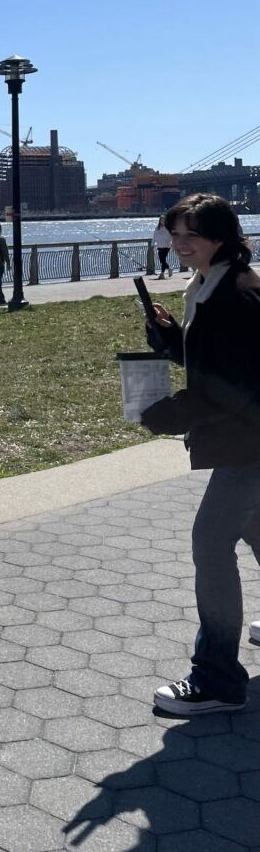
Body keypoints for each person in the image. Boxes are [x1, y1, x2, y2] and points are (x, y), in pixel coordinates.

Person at [137, 193, 260, 716]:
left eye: (191, 234)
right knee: (255, 531)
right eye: (174, 234)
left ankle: (217, 681)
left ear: (221, 236)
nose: (180, 244)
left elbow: (235, 382)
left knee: (211, 547)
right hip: (244, 437)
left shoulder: (236, 293)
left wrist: (169, 414)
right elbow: (213, 356)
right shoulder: (211, 282)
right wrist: (170, 338)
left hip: (249, 442)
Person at [152, 215, 173, 279]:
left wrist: (168, 241)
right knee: (162, 260)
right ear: (159, 221)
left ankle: (162, 273)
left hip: (166, 246)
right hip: (159, 245)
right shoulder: (157, 228)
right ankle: (169, 269)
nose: (162, 221)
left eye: (163, 220)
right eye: (161, 220)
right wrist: (153, 243)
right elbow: (155, 236)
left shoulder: (168, 228)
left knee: (163, 259)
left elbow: (171, 236)